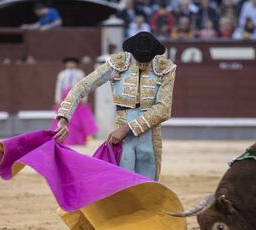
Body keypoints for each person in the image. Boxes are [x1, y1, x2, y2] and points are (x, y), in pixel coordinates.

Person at [55, 32, 176, 181]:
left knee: (148, 184)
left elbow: (163, 110)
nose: (143, 64)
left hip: (149, 133)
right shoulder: (119, 63)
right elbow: (82, 87)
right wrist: (63, 117)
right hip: (123, 130)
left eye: (148, 60)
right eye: (140, 59)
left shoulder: (165, 68)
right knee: (122, 183)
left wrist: (126, 128)